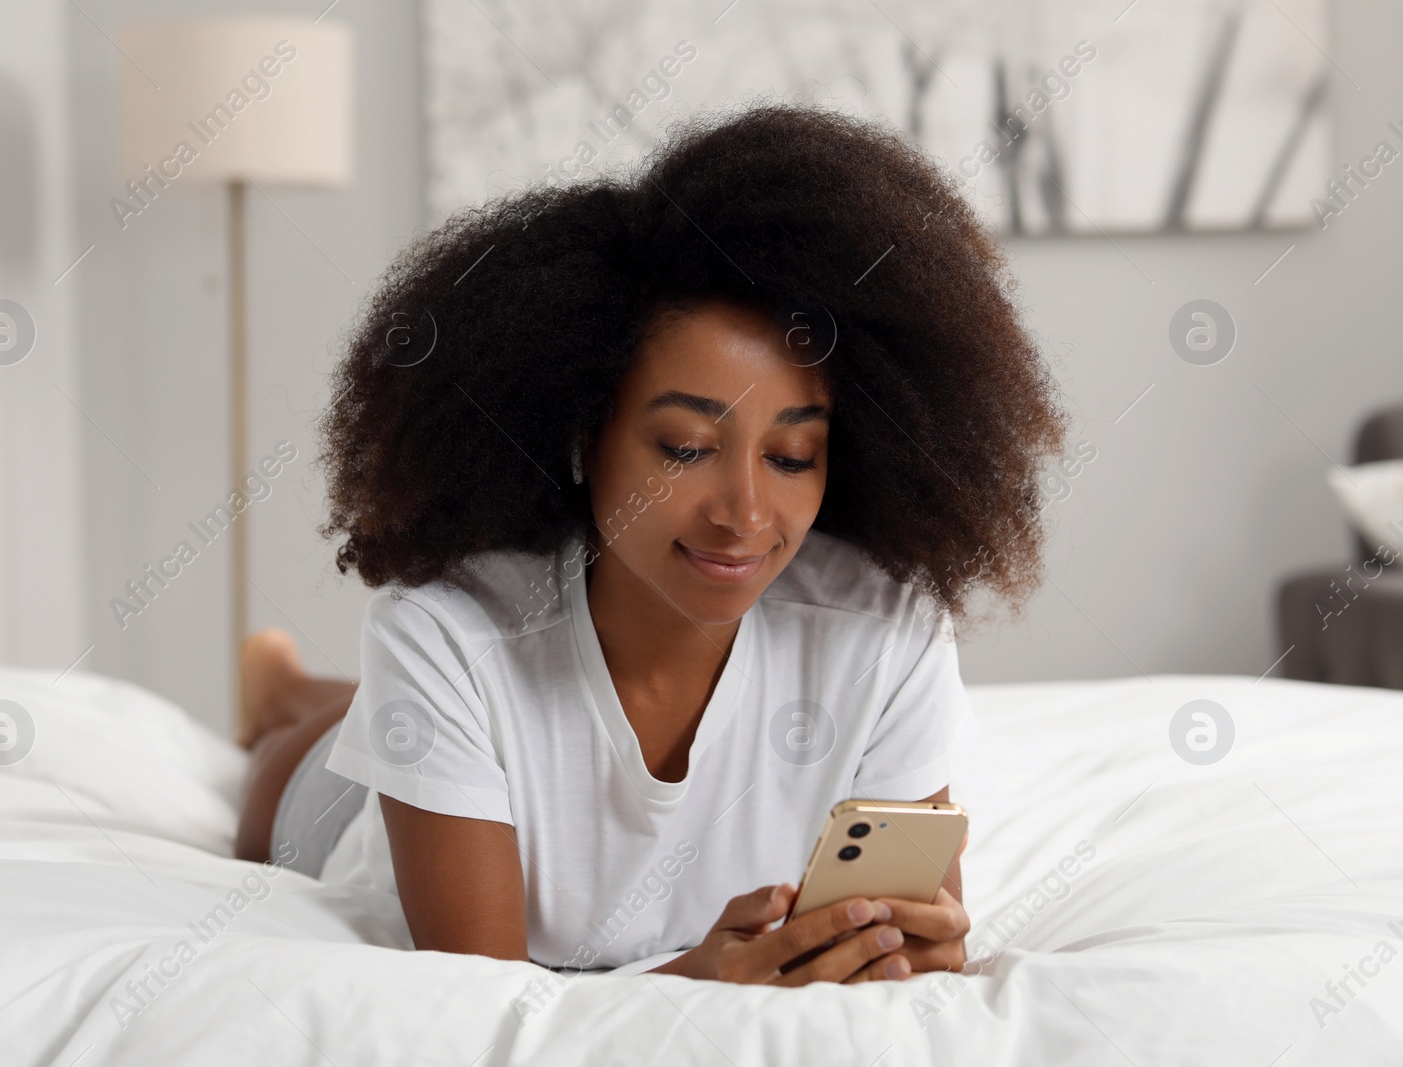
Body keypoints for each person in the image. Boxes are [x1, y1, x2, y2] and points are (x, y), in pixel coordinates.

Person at [233, 104, 1067, 986]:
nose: (744, 512)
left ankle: (298, 685)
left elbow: (912, 938)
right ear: (586, 436)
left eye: (791, 455)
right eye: (684, 449)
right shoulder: (441, 634)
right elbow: (479, 1000)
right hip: (344, 807)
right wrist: (698, 979)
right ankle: (280, 691)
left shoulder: (884, 626)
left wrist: (920, 944)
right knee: (293, 769)